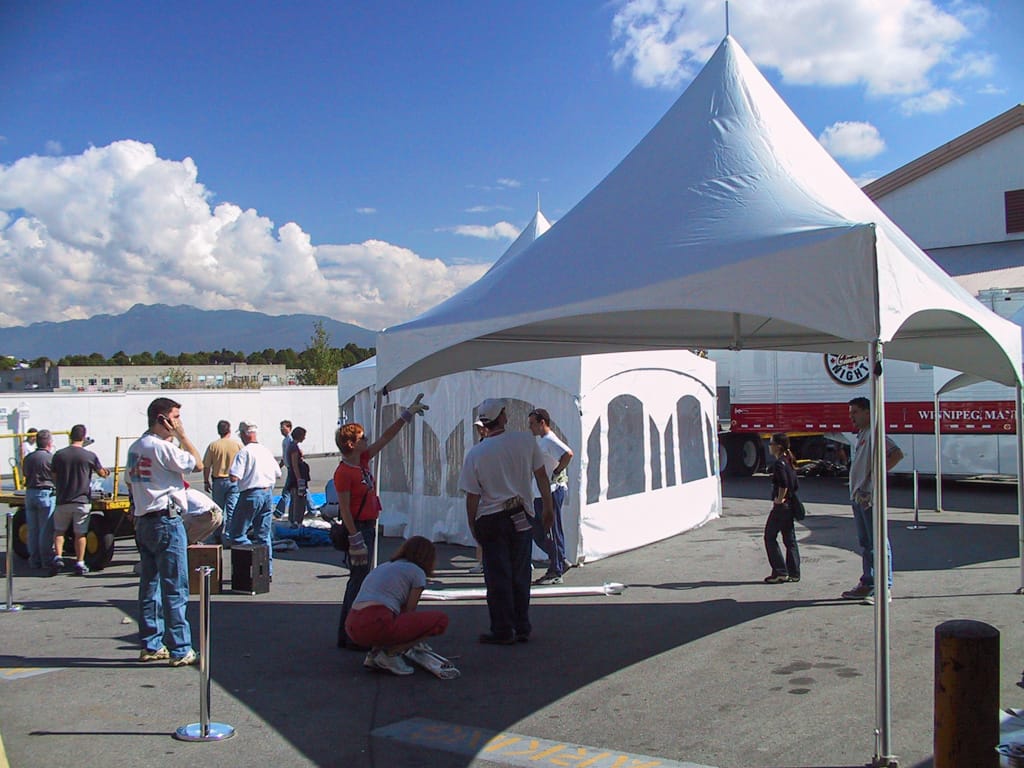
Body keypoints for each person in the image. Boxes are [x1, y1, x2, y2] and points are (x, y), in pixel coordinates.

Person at [335, 394, 429, 651]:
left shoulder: (362, 462)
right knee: (358, 580)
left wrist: (406, 415)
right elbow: (344, 509)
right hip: (358, 528)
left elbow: (386, 438)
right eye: (362, 437)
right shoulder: (344, 472)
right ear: (352, 444)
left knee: (362, 579)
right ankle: (350, 632)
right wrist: (355, 539)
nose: (367, 440)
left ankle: (354, 631)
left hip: (367, 526)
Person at [459, 398, 553, 645]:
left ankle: (503, 628)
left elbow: (472, 496)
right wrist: (549, 507)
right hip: (521, 513)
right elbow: (542, 476)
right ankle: (522, 625)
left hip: (491, 518)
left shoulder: (476, 453)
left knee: (497, 575)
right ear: (503, 417)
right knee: (520, 571)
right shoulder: (525, 441)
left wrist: (472, 525)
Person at [127, 397, 202, 666]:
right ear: (162, 419)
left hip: (144, 519)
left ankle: (150, 643)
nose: (179, 422)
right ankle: (181, 647)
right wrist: (182, 435)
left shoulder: (136, 448)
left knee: (150, 584)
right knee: (175, 586)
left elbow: (129, 480)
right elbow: (197, 462)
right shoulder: (161, 448)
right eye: (176, 417)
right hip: (166, 519)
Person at [345, 536, 450, 676]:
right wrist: (413, 639)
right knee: (440, 620)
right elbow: (409, 611)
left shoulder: (384, 566)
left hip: (352, 623)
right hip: (375, 622)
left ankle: (374, 653)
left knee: (389, 612)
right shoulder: (417, 572)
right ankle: (391, 654)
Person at [841, 396, 903, 604]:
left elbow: (896, 454)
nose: (852, 417)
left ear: (868, 412)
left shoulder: (876, 432)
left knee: (877, 541)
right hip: (858, 497)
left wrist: (874, 481)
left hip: (869, 498)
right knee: (866, 542)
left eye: (855, 413)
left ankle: (884, 587)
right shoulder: (863, 434)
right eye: (850, 414)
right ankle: (868, 582)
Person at [51, 424, 110, 576]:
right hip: (82, 500)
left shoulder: (59, 455)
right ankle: (80, 562)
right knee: (80, 534)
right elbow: (102, 473)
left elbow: (54, 476)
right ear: (84, 437)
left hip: (63, 499)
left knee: (59, 531)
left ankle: (58, 557)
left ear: (70, 436)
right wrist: (106, 473)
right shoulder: (89, 455)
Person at [527, 408, 574, 585]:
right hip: (541, 493)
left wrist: (557, 471)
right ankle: (559, 558)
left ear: (542, 423)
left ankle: (555, 570)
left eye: (532, 424)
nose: (530, 427)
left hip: (551, 492)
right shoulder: (543, 441)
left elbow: (568, 454)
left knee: (551, 530)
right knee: (537, 529)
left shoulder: (549, 440)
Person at [226, 422, 281, 572]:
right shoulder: (265, 451)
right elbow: (278, 473)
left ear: (244, 434)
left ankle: (251, 560)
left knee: (237, 533)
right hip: (267, 492)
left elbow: (234, 476)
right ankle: (265, 570)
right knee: (263, 535)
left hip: (251, 493)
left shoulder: (244, 452)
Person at [763, 433, 800, 584]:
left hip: (782, 507)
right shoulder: (789, 461)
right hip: (790, 505)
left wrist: (779, 499)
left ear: (778, 446)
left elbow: (783, 483)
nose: (769, 446)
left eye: (771, 443)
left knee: (769, 536)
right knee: (789, 539)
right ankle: (794, 572)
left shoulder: (779, 463)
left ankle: (780, 571)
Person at [22, 429, 56, 571]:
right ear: (49, 443)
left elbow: (24, 473)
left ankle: (34, 559)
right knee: (45, 530)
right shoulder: (50, 458)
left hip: (30, 493)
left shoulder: (29, 457)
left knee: (33, 529)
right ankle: (46, 559)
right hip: (45, 493)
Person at [202, 420, 241, 540]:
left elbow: (207, 465)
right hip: (233, 480)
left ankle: (217, 533)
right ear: (229, 430)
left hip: (218, 480)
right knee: (232, 509)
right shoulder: (237, 444)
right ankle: (229, 534)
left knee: (218, 509)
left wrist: (206, 481)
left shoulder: (213, 445)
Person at [285, 426, 312, 527]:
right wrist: (299, 479)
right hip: (297, 477)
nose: (304, 438)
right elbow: (295, 464)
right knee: (299, 499)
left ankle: (293, 520)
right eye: (303, 436)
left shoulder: (292, 445)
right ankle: (297, 520)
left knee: (294, 498)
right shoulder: (294, 447)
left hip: (295, 477)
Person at [274, 420, 294, 520]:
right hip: (290, 467)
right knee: (302, 489)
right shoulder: (285, 440)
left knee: (286, 491)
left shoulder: (290, 439)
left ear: (289, 428)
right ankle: (311, 508)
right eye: (281, 428)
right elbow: (285, 456)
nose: (281, 430)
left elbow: (293, 454)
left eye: (283, 428)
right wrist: (279, 466)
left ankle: (279, 511)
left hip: (292, 468)